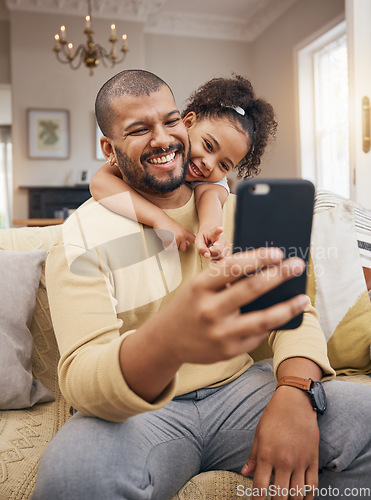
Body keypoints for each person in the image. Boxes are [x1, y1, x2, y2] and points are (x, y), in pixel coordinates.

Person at [33, 70, 371, 500]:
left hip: (240, 390)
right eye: (139, 129)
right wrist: (167, 342)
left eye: (169, 121)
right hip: (140, 415)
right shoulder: (81, 233)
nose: (162, 139)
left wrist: (295, 392)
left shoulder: (228, 210)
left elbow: (291, 309)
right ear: (109, 149)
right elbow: (82, 374)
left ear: (185, 122)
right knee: (72, 476)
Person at [89, 76, 277, 260]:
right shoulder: (133, 161)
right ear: (188, 123)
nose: (209, 164)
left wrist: (210, 231)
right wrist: (158, 219)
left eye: (224, 165)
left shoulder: (213, 184)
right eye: (208, 146)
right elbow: (99, 182)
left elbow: (209, 200)